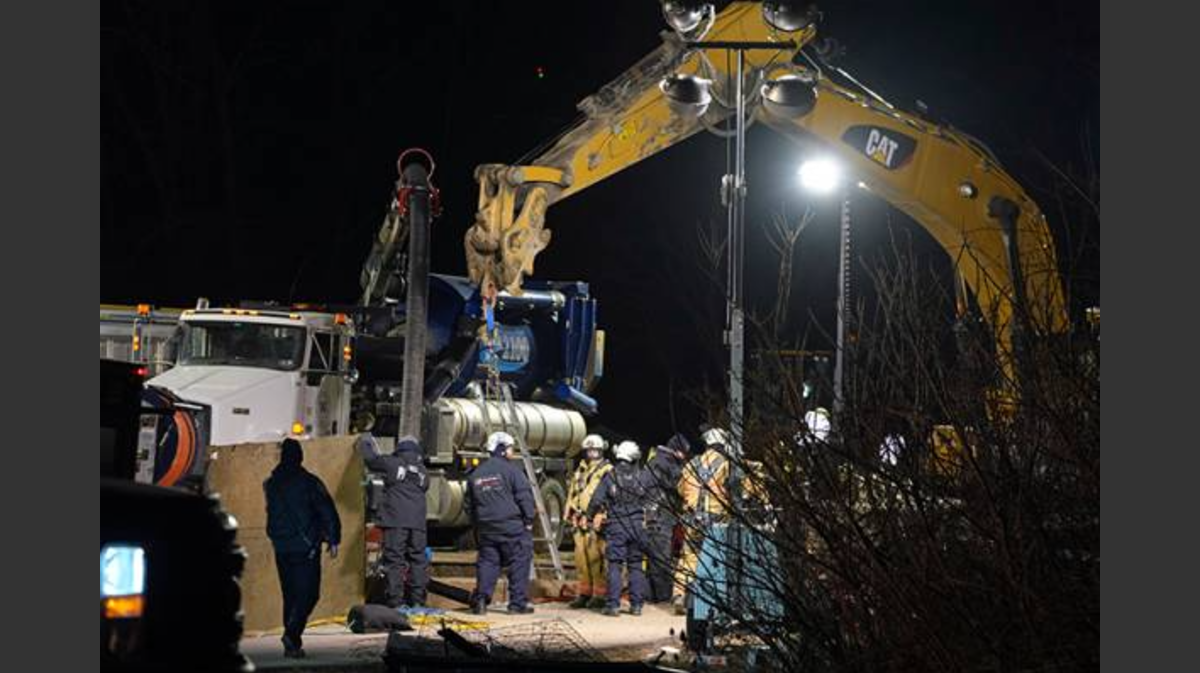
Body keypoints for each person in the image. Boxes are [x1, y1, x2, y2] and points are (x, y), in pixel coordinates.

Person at [264, 438, 341, 658]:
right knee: (309, 594)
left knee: (290, 595)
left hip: (281, 548)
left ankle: (292, 644)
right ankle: (292, 633)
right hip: (305, 547)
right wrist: (333, 540)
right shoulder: (309, 482)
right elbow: (327, 510)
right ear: (300, 457)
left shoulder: (271, 483)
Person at [465, 431, 537, 615]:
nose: (513, 451)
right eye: (511, 448)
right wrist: (529, 519)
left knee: (488, 563)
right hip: (512, 527)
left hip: (487, 529)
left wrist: (477, 526)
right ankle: (517, 604)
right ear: (502, 450)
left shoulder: (476, 474)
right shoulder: (512, 471)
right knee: (519, 562)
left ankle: (481, 600)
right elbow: (524, 497)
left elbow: (469, 505)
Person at [357, 434, 429, 608]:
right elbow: (425, 487)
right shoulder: (422, 471)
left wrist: (364, 441)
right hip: (418, 523)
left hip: (396, 520)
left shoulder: (392, 463)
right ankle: (417, 601)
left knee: (394, 560)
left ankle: (395, 601)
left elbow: (371, 460)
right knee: (418, 560)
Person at [587, 440, 652, 617]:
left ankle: (613, 605)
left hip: (617, 526)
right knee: (636, 565)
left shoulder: (611, 476)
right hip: (638, 527)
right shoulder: (644, 476)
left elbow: (596, 501)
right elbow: (653, 501)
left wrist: (589, 517)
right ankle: (636, 605)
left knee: (615, 565)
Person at [673, 427, 732, 615]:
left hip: (692, 519)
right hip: (717, 521)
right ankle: (710, 600)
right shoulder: (727, 464)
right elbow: (738, 490)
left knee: (689, 557)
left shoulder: (692, 464)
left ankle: (681, 595)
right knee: (715, 559)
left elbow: (680, 490)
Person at [564, 434, 612, 609]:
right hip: (579, 520)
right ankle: (584, 593)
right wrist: (568, 511)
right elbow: (573, 491)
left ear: (600, 450)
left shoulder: (607, 470)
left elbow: (609, 496)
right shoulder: (581, 469)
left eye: (595, 450)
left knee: (596, 559)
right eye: (589, 450)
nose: (591, 453)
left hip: (595, 520)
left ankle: (599, 595)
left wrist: (603, 516)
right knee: (581, 559)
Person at [644, 432, 689, 604]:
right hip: (662, 516)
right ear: (678, 451)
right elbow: (679, 487)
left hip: (648, 515)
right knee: (661, 558)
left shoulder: (653, 460)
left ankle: (649, 595)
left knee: (649, 557)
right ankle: (663, 596)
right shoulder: (669, 465)